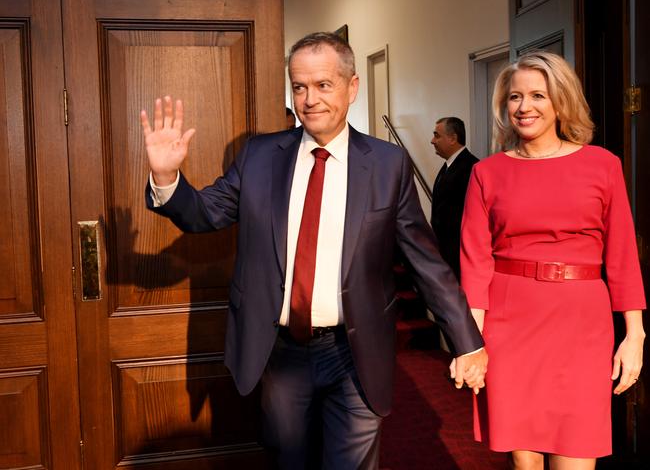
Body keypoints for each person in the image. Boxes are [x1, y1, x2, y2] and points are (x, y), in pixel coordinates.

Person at [140, 32, 487, 469]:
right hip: (280, 351)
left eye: (323, 85)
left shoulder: (386, 164)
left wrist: (466, 341)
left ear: (352, 87)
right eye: (299, 86)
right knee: (290, 460)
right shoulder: (260, 156)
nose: (309, 99)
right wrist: (168, 179)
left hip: (354, 351)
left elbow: (425, 262)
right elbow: (204, 214)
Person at [460, 50, 646, 469]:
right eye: (514, 97)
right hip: (511, 325)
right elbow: (475, 263)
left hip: (581, 324)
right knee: (525, 462)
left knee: (577, 452)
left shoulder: (603, 165)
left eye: (538, 95)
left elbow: (621, 257)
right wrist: (470, 343)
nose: (524, 107)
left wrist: (634, 335)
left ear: (561, 101)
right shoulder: (486, 173)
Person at [430, 117, 479, 280]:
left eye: (437, 135)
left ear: (452, 138)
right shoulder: (448, 166)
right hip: (445, 255)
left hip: (459, 258)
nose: (432, 141)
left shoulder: (472, 168)